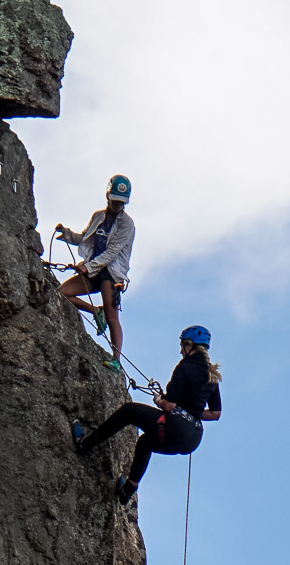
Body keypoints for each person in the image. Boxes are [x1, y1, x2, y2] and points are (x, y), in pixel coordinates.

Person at [71, 326, 222, 504]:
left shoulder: (185, 367)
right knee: (145, 443)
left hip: (174, 426)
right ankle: (127, 490)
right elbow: (215, 413)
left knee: (129, 411)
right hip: (192, 439)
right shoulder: (212, 375)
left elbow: (169, 405)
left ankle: (85, 444)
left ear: (190, 345)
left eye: (182, 345)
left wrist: (159, 401)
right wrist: (192, 412)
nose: (181, 350)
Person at [55, 176, 134, 365]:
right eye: (115, 200)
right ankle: (94, 311)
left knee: (112, 315)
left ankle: (116, 361)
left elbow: (112, 253)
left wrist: (87, 267)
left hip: (111, 273)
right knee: (62, 293)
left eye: (120, 202)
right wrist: (66, 234)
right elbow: (85, 237)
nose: (117, 205)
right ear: (108, 196)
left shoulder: (127, 224)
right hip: (93, 269)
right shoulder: (99, 216)